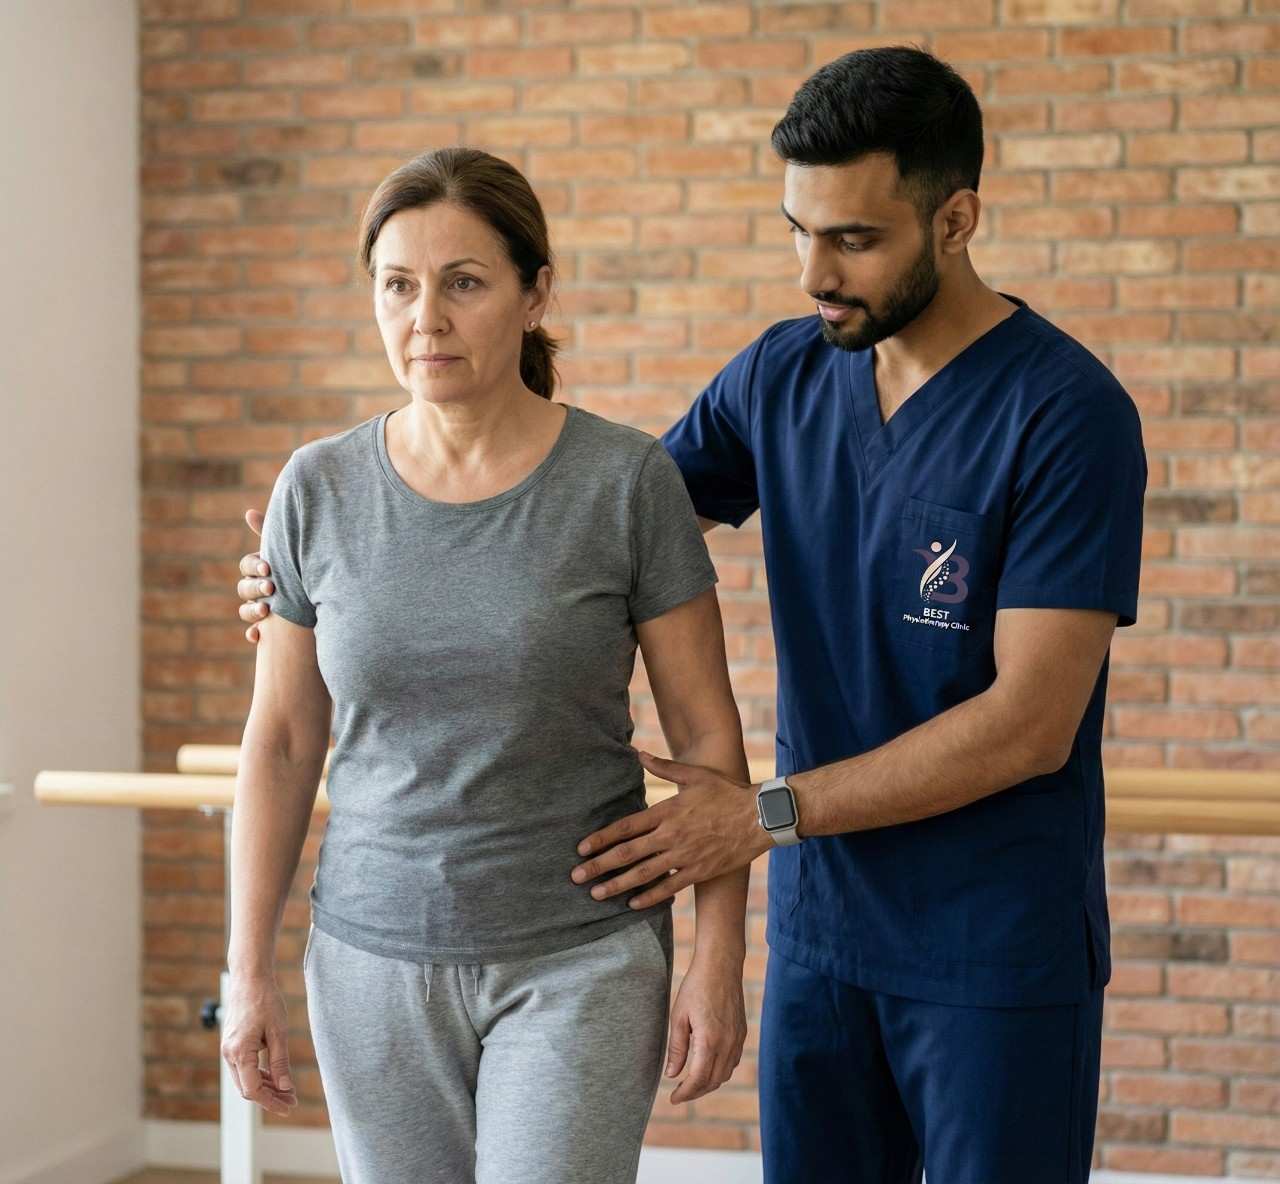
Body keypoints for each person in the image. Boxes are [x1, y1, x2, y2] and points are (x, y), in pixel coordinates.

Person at [235, 48, 1147, 1184]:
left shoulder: (1065, 415)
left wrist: (763, 810)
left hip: (993, 947)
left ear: (955, 218)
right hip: (823, 940)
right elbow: (571, 528)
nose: (814, 271)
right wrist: (310, 575)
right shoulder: (783, 377)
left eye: (853, 239)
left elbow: (1030, 722)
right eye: (796, 230)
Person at [219, 146, 749, 1184]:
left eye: (464, 282)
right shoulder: (314, 487)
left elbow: (707, 738)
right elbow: (280, 740)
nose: (427, 317)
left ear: (533, 291)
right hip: (368, 960)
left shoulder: (623, 480)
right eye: (398, 284)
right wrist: (247, 971)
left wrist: (715, 957)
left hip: (579, 957)